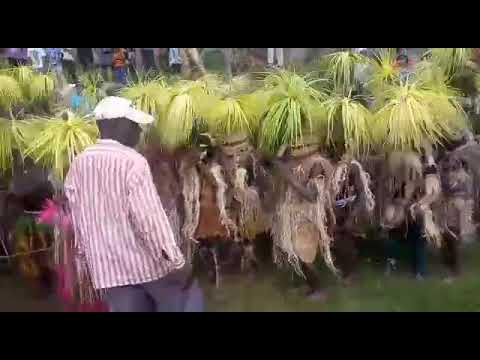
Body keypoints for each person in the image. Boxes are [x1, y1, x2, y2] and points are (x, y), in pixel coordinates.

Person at [64, 96, 204, 312]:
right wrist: (176, 261)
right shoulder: (132, 162)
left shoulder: (78, 163)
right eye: (134, 125)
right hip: (147, 267)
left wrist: (86, 260)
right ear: (118, 125)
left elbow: (78, 218)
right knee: (186, 297)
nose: (139, 131)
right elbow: (149, 220)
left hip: (109, 271)